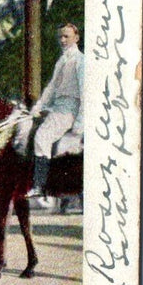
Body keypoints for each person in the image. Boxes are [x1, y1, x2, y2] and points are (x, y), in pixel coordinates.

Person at [26, 23, 85, 199]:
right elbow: (51, 87)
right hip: (57, 106)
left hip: (70, 108)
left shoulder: (80, 60)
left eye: (66, 36)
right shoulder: (62, 60)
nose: (62, 40)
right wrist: (39, 106)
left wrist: (80, 121)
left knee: (42, 137)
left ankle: (39, 185)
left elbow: (84, 92)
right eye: (60, 36)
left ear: (77, 38)